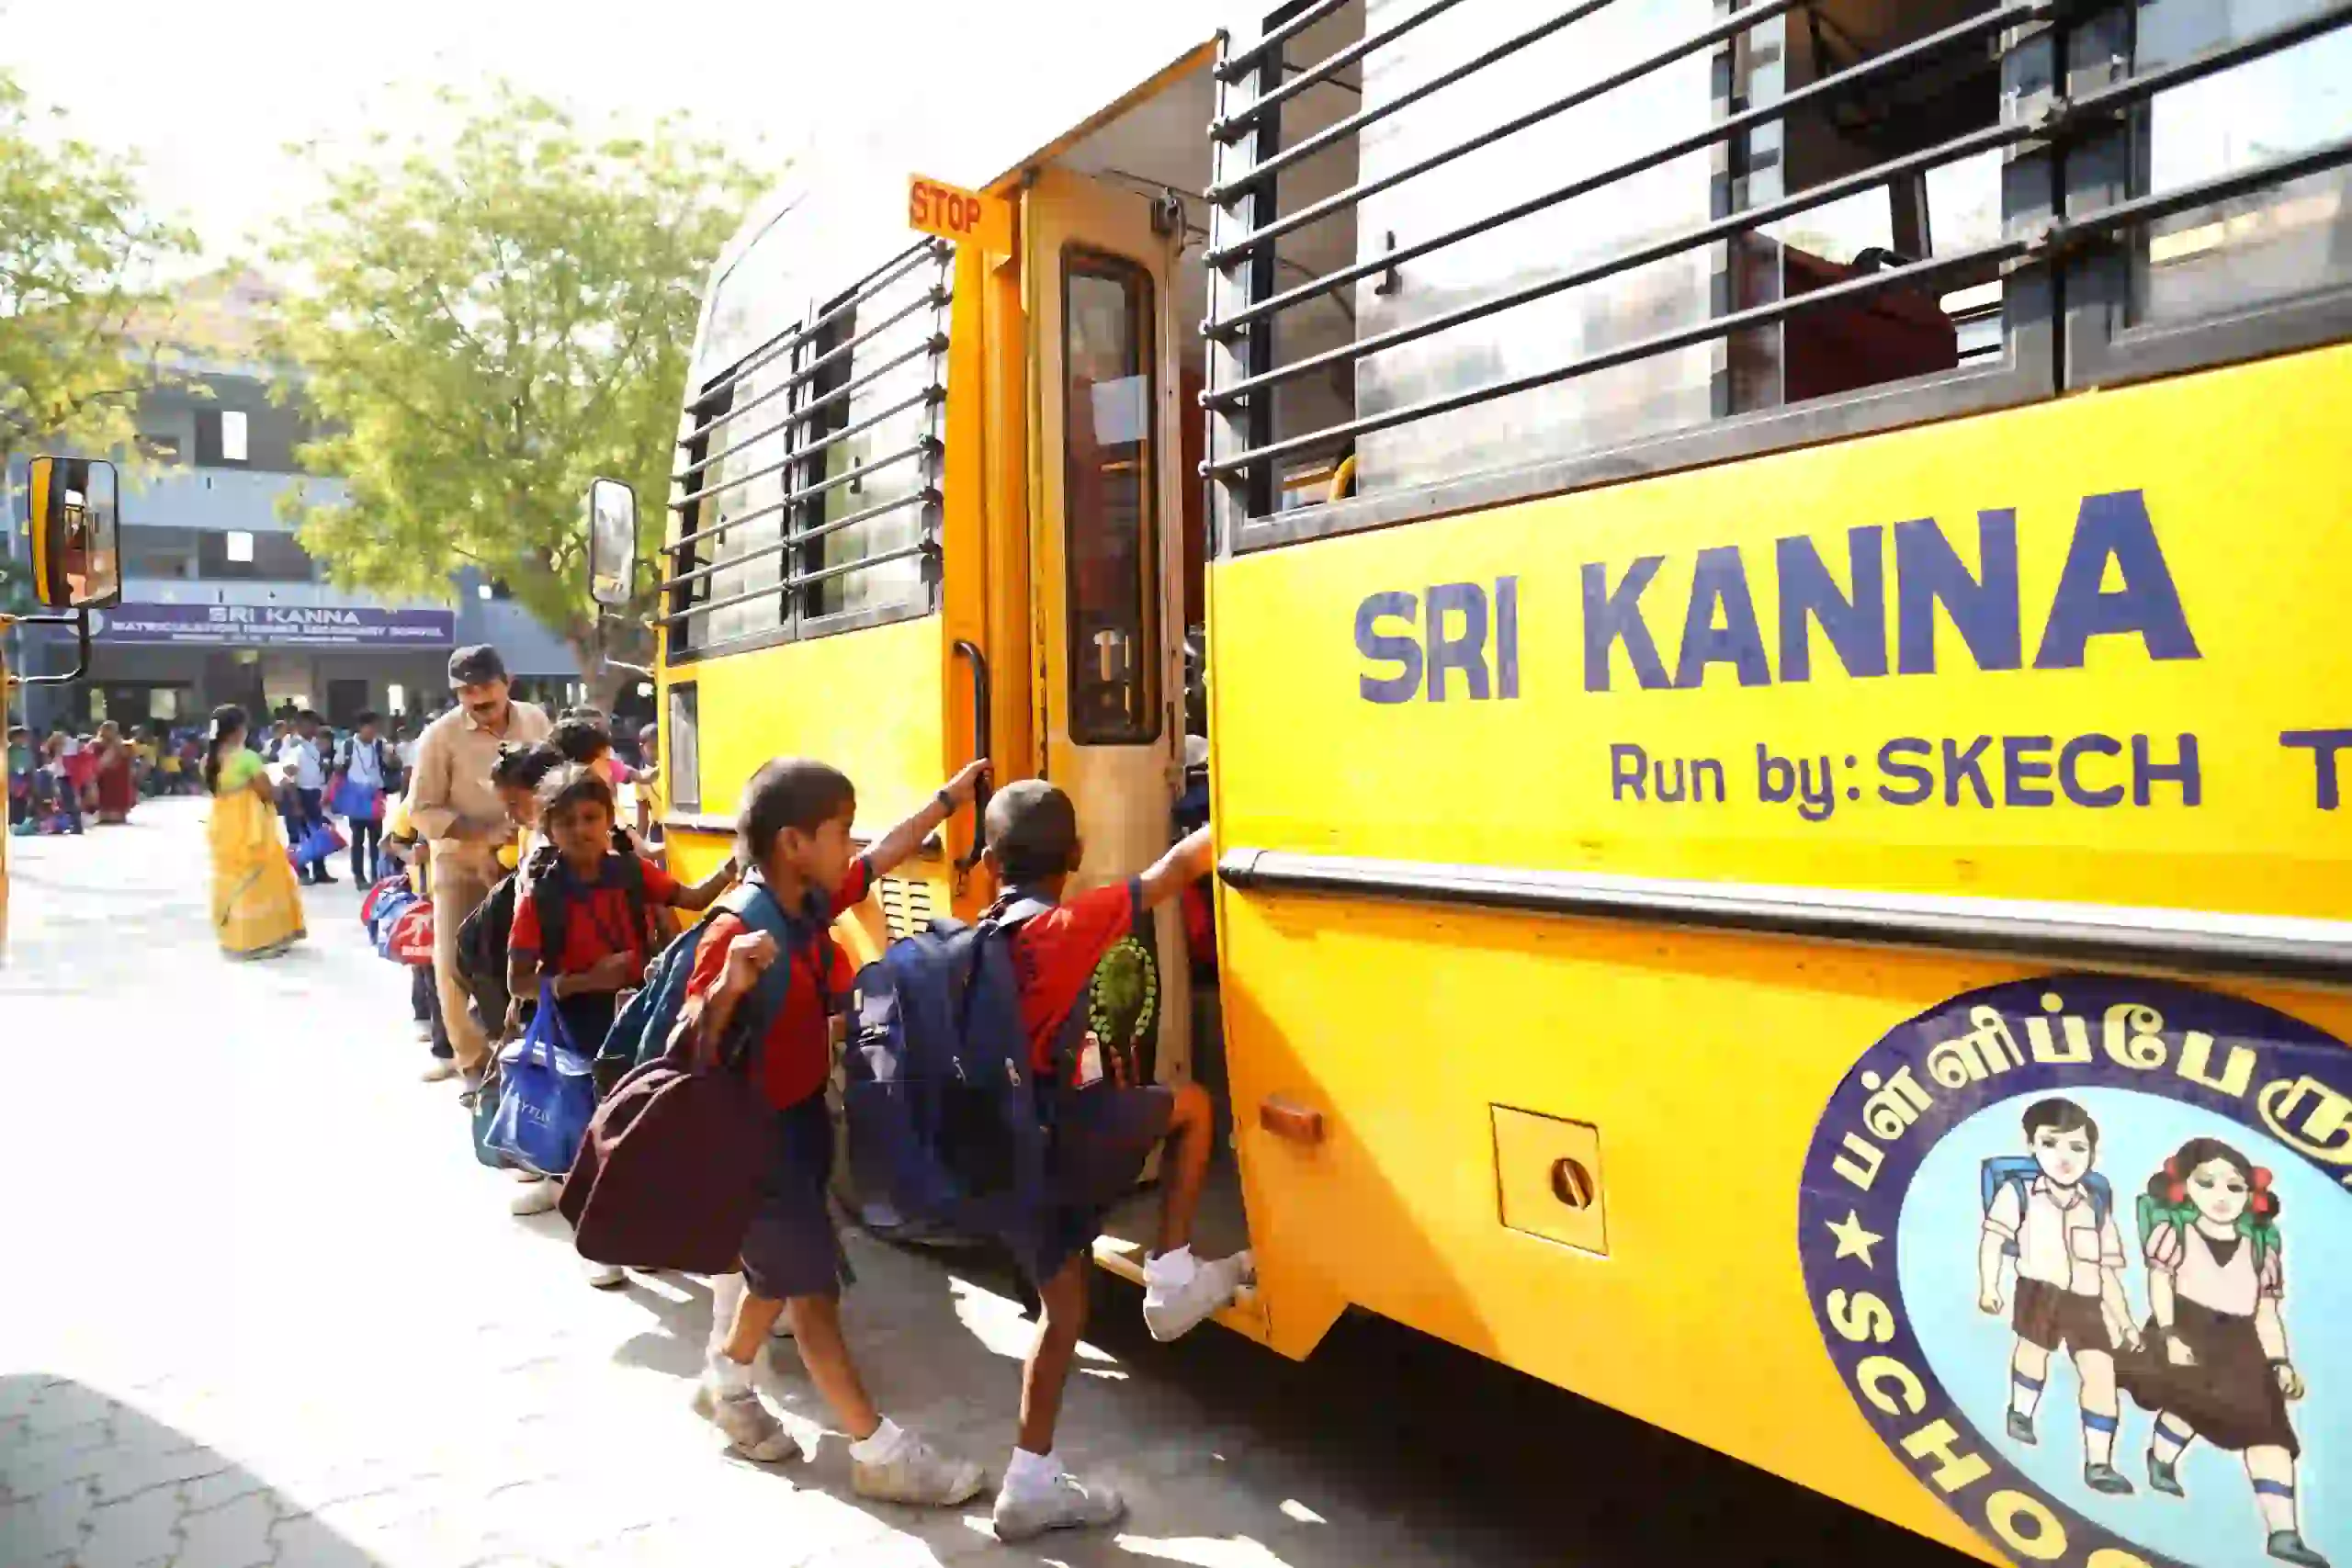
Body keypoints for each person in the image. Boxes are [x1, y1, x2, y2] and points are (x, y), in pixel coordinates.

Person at [684, 755, 989, 1505]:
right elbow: (689, 1046)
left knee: (777, 1273)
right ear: (794, 843)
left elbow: (882, 857)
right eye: (840, 830)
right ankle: (876, 1449)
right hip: (755, 1140)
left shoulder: (806, 904)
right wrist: (728, 986)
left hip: (799, 1123)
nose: (852, 845)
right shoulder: (737, 928)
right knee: (812, 1292)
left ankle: (726, 1379)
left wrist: (947, 801)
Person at [977, 784, 1249, 1540]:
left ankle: (1028, 1481)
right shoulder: (1070, 922)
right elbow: (1174, 869)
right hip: (1070, 1139)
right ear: (1075, 853)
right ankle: (1171, 1273)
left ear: (991, 862)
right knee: (1192, 1106)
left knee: (1064, 1311)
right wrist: (1245, 805)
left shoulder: (981, 936)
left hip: (1013, 1152)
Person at [503, 764, 735, 1247]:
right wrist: (586, 980)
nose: (581, 830)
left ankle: (632, 1223)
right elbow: (518, 982)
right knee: (588, 1127)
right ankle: (593, 1233)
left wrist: (735, 867)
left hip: (637, 1017)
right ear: (548, 829)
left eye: (591, 818)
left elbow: (693, 898)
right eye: (567, 822)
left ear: (610, 819)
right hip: (576, 1025)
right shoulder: (540, 896)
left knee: (637, 1120)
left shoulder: (630, 872)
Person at [2120, 1138, 2326, 1568]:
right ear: (2184, 1187)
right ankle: (2161, 1460)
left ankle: (2283, 1534)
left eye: (2235, 1187)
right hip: (2186, 1326)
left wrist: (2279, 1362)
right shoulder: (2174, 1233)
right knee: (2187, 1407)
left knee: (2269, 1433)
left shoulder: (2261, 1247)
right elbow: (2160, 1284)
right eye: (2207, 1183)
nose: (2221, 1196)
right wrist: (2169, 1334)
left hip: (2241, 1343)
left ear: (2251, 1196)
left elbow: (2266, 1312)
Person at [406, 645, 552, 1089]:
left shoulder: (535, 721)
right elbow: (422, 810)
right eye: (466, 691)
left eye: (485, 686)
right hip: (461, 865)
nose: (477, 698)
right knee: (455, 965)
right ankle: (472, 1064)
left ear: (507, 682)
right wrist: (482, 835)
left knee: (525, 962)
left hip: (526, 860)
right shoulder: (440, 736)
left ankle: (521, 1056)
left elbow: (556, 779)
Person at [1977, 1097, 2140, 1495]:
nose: (2064, 1157)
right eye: (2050, 1143)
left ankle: (2099, 1464)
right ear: (2031, 1146)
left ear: (2092, 1154)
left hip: (2086, 1301)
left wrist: (2125, 1322)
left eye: (2077, 1147)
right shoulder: (2018, 1192)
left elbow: (2106, 1271)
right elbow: (1992, 1240)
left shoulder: (2096, 1206)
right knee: (2033, 1352)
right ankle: (2021, 1411)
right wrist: (1989, 1287)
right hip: (2039, 1289)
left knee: (2100, 1373)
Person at [202, 705, 307, 962]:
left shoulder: (208, 761)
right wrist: (283, 782)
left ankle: (234, 937)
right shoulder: (247, 758)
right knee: (262, 877)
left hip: (223, 826)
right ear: (237, 730)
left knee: (232, 878)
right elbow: (267, 792)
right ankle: (262, 938)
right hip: (250, 825)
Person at [337, 712, 396, 885]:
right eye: (371, 727)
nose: (374, 731)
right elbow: (338, 767)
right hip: (355, 797)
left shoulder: (380, 745)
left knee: (376, 838)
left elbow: (392, 765)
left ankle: (377, 875)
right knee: (357, 838)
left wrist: (390, 757)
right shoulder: (347, 745)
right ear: (361, 727)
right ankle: (359, 875)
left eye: (376, 727)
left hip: (375, 796)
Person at [90, 721, 136, 825]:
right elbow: (98, 763)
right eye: (107, 729)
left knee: (118, 805)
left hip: (119, 781)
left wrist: (116, 745)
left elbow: (127, 757)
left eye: (111, 730)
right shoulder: (96, 745)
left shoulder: (124, 745)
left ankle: (118, 816)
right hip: (104, 781)